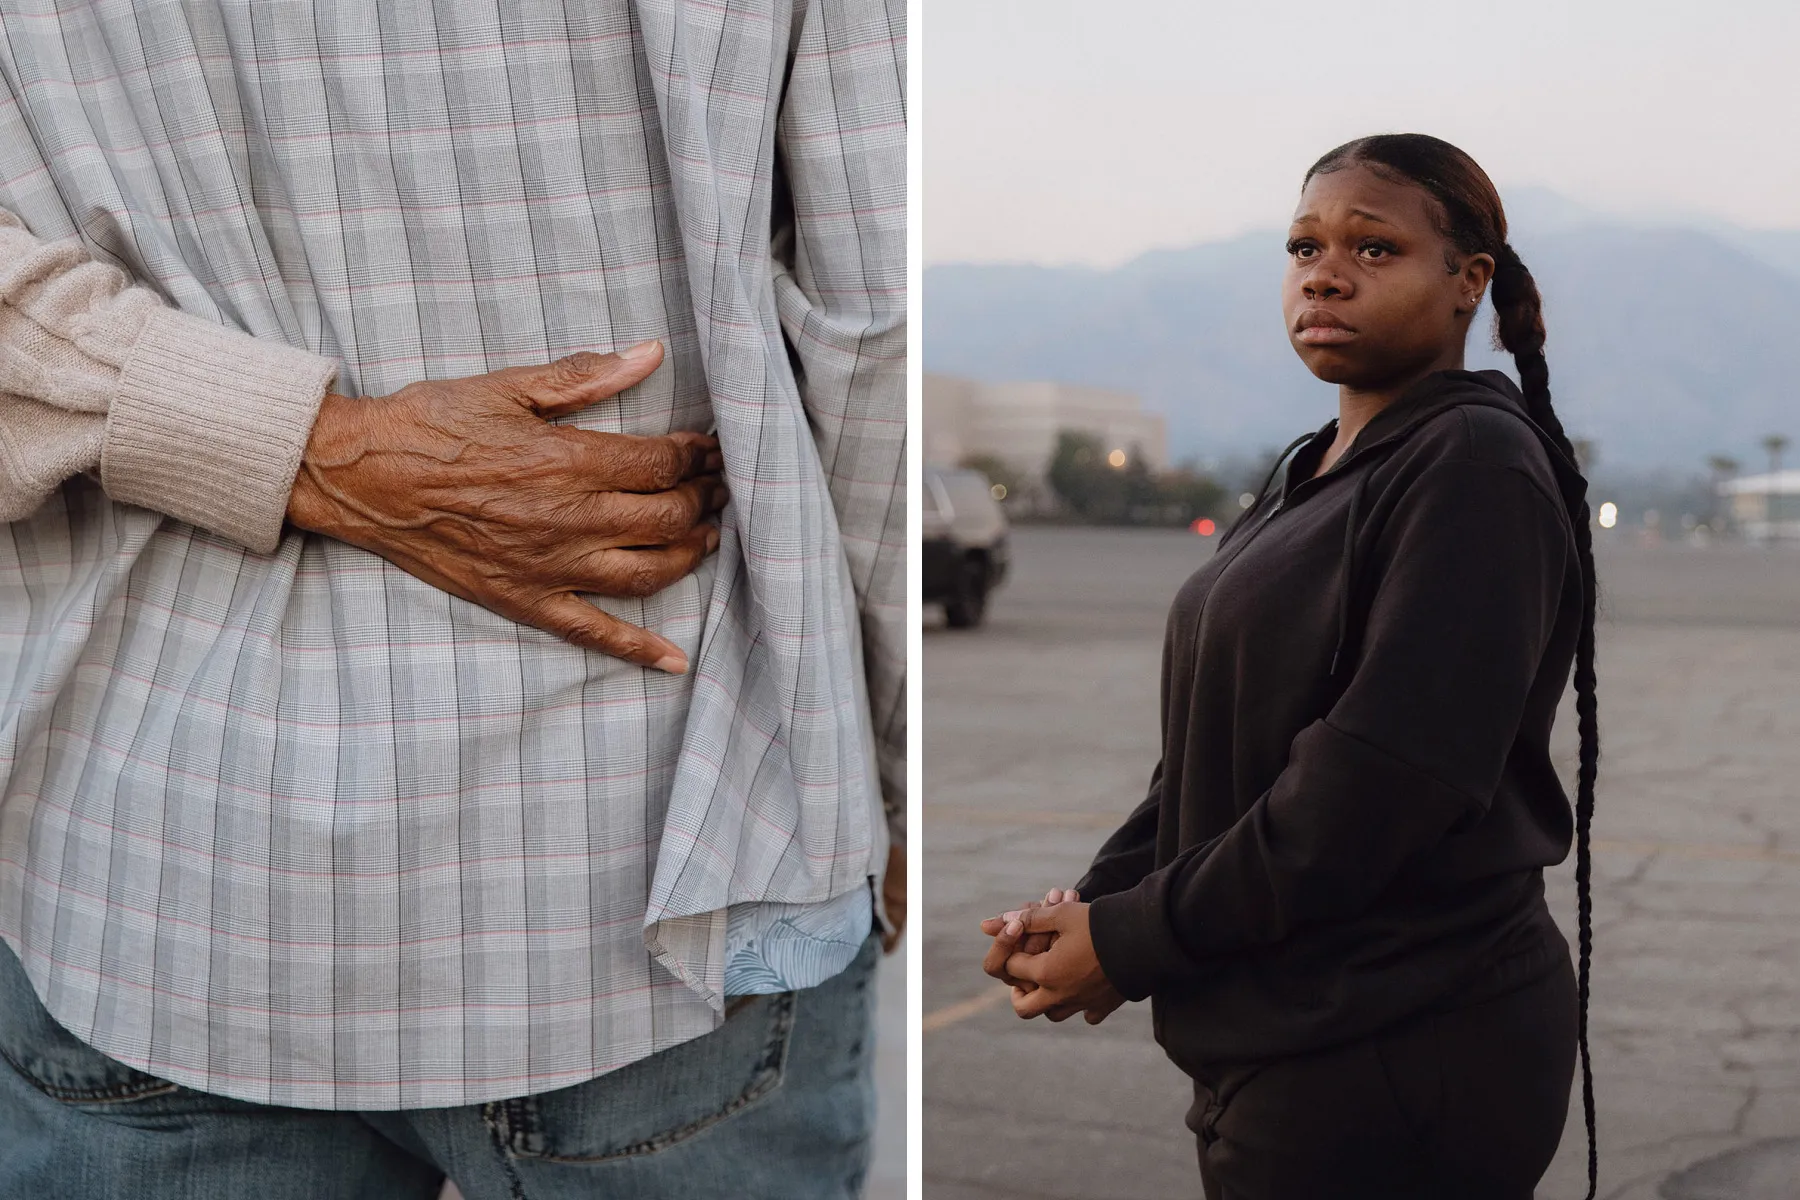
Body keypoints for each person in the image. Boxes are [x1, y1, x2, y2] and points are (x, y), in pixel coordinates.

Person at [0, 2, 905, 1198]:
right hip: (667, 848)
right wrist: (881, 771)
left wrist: (263, 429)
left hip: (152, 858)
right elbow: (873, 318)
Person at [979, 133, 1600, 1200]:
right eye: (1304, 244)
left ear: (1468, 282)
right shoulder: (1312, 466)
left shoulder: (1475, 469)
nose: (1325, 270)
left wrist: (1131, 940)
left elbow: (1371, 787)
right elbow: (1222, 747)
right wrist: (1099, 899)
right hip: (1286, 1031)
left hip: (1402, 1041)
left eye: (1374, 247)